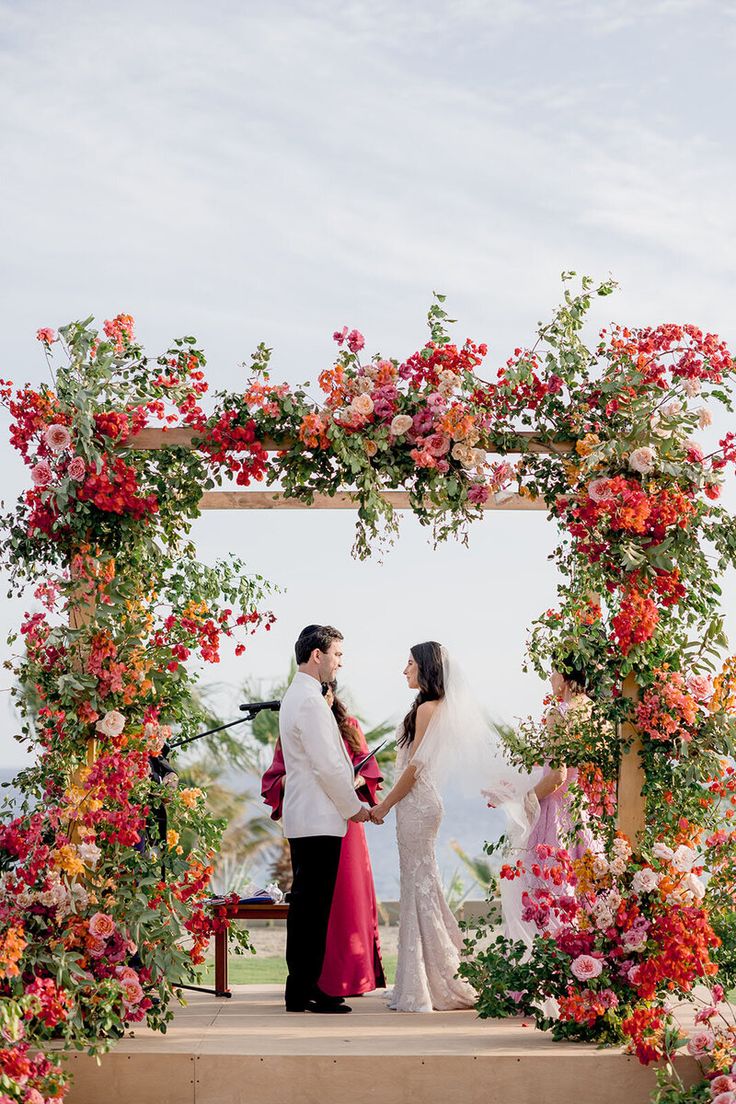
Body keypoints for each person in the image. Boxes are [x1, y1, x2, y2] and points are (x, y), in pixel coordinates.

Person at [369, 642, 477, 1013]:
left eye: (410, 663)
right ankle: (421, 978)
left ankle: (431, 982)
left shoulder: (429, 709)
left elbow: (413, 771)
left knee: (420, 887)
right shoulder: (433, 707)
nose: (404, 670)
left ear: (426, 668)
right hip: (420, 804)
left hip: (417, 804)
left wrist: (384, 804)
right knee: (420, 885)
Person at [262, 680, 385, 997]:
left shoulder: (349, 726)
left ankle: (346, 978)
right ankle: (311, 983)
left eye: (326, 693)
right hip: (314, 819)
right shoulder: (294, 726)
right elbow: (278, 775)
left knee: (346, 900)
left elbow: (369, 766)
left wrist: (352, 781)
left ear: (332, 694)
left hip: (346, 821)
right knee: (313, 906)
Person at [278, 624, 371, 1015]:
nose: (340, 663)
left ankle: (301, 989)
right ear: (317, 655)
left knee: (307, 907)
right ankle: (305, 989)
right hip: (317, 818)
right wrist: (355, 808)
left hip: (308, 817)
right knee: (311, 909)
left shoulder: (301, 697)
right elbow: (329, 766)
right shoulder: (309, 702)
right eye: (337, 655)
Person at [491, 659, 595, 950]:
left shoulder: (559, 714)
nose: (550, 678)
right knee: (580, 890)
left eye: (553, 671)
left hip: (556, 813)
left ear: (564, 676)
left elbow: (557, 776)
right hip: (583, 810)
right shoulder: (597, 713)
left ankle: (547, 967)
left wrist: (525, 799)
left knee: (549, 892)